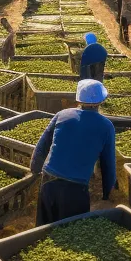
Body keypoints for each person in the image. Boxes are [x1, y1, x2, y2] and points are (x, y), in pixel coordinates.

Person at [30, 79, 116, 225]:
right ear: (100, 101)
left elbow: (42, 146)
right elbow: (108, 164)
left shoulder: (62, 115)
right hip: (75, 188)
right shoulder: (106, 126)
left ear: (79, 99)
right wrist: (107, 193)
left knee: (42, 231)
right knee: (71, 233)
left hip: (49, 180)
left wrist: (35, 169)